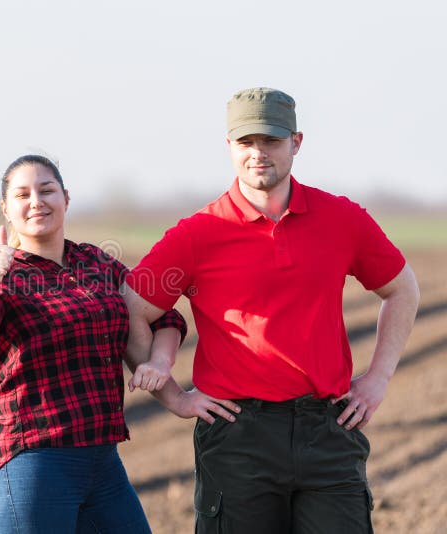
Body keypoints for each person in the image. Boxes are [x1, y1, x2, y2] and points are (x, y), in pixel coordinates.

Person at [123, 87, 420, 533]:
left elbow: (403, 290)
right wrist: (173, 396)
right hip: (238, 436)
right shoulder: (197, 234)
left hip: (329, 429)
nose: (258, 153)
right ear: (229, 147)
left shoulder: (342, 219)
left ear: (296, 143)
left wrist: (378, 378)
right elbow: (130, 310)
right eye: (246, 142)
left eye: (271, 141)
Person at [0, 154, 187, 534]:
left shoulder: (96, 262)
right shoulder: (2, 275)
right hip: (34, 462)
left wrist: (159, 361)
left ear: (66, 198)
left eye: (46, 190)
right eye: (22, 194)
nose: (36, 201)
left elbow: (163, 315)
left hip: (102, 461)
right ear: (6, 209)